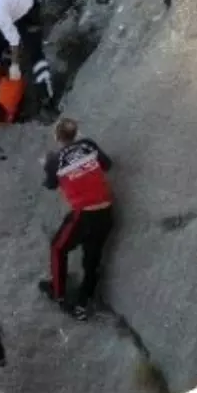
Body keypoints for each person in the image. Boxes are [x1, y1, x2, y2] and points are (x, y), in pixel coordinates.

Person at [37, 117, 115, 322]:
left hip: (84, 214)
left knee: (57, 248)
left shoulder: (55, 160)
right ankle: (83, 302)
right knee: (92, 259)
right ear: (76, 132)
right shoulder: (88, 145)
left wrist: (46, 165)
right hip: (106, 211)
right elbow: (107, 165)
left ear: (57, 136)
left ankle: (58, 293)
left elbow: (51, 185)